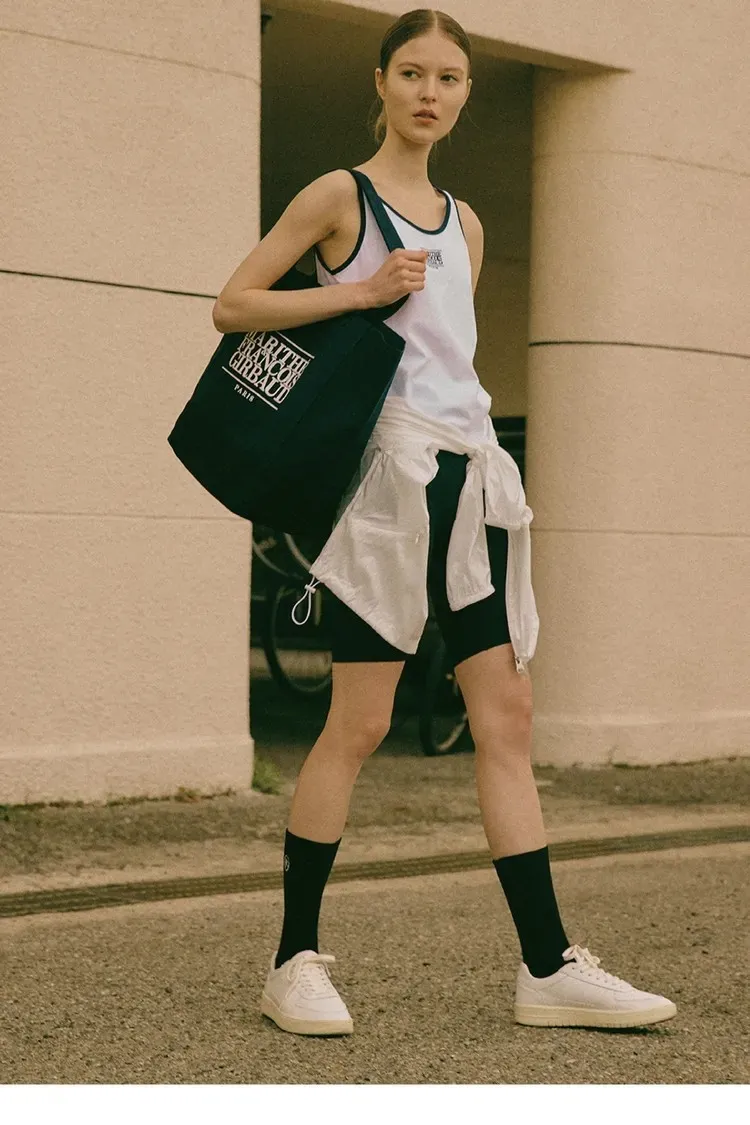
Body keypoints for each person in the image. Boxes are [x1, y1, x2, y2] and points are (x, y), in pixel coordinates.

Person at [213, 8, 678, 1038]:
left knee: (506, 716)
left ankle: (547, 966)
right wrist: (360, 293)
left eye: (451, 78)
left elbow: (452, 359)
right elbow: (234, 304)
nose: (431, 92)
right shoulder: (340, 196)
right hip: (388, 487)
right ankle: (292, 961)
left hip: (469, 482)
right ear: (380, 82)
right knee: (361, 722)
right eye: (413, 73)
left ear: (465, 93)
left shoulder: (465, 224)